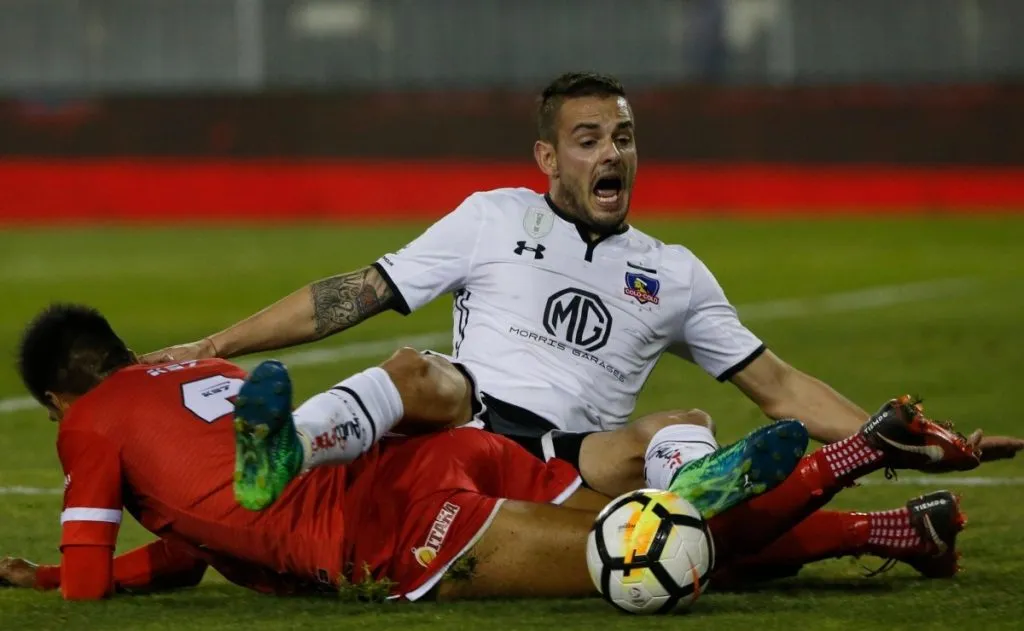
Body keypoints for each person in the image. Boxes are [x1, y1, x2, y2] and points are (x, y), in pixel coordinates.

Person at [139, 71, 1022, 501]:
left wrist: (900, 438)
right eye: (592, 138)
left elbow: (780, 385)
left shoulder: (675, 272)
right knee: (418, 369)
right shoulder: (492, 215)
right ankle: (278, 454)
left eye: (625, 138)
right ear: (548, 158)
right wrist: (216, 346)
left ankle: (693, 506)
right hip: (469, 411)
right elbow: (355, 292)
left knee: (685, 425)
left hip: (574, 454)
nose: (613, 155)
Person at [0, 304, 982, 602]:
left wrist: (64, 573)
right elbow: (192, 543)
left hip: (389, 529)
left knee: (649, 559)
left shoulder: (91, 422)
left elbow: (92, 576)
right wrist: (36, 569)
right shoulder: (177, 384)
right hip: (425, 457)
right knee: (648, 524)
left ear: (58, 397)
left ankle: (846, 459)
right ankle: (889, 528)